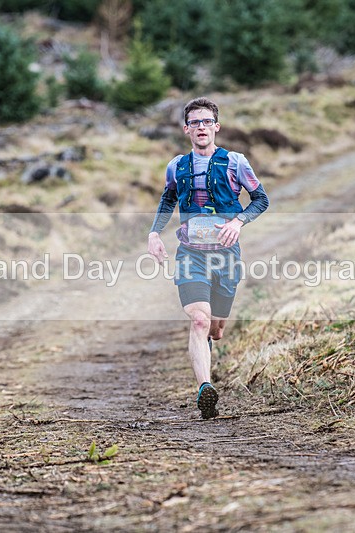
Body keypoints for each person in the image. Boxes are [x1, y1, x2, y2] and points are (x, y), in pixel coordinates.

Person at [147, 97, 269, 419]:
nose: (201, 127)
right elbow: (167, 200)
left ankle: (210, 348)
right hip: (191, 254)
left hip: (226, 255)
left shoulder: (235, 162)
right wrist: (154, 233)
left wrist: (238, 221)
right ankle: (205, 388)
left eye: (206, 121)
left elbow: (260, 199)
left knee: (215, 329)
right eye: (195, 122)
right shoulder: (177, 166)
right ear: (186, 129)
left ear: (216, 126)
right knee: (199, 320)